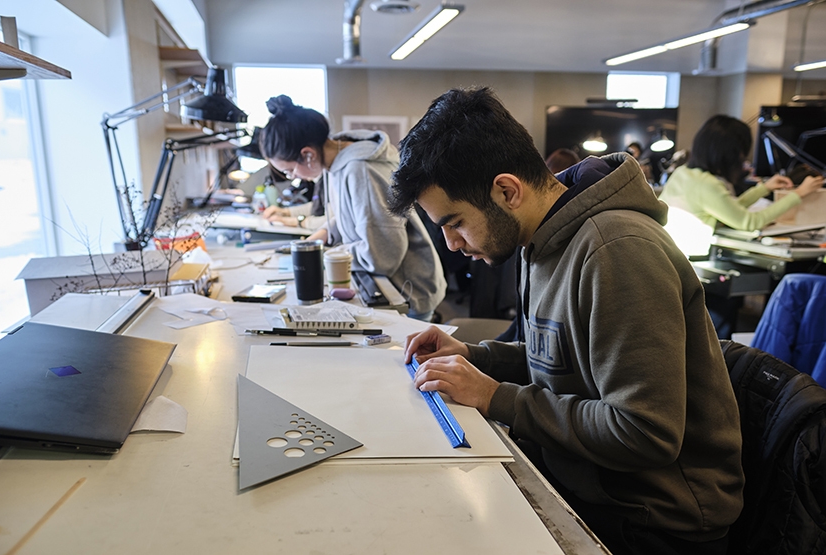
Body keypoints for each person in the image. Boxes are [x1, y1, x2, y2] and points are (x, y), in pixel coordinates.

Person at [389, 87, 744, 555]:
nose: (452, 244)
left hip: (653, 518)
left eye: (455, 222)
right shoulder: (542, 240)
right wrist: (475, 356)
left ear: (507, 190)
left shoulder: (617, 250)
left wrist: (495, 397)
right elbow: (562, 357)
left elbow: (644, 433)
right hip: (591, 481)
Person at [259, 95, 446, 321]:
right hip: (387, 285)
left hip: (408, 293)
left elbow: (383, 256)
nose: (294, 177)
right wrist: (321, 235)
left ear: (308, 154)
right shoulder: (335, 163)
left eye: (290, 170)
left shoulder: (361, 170)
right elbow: (352, 215)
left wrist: (329, 254)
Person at [659, 114, 823, 235]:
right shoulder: (707, 185)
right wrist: (799, 193)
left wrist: (764, 188)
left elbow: (730, 208)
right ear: (729, 153)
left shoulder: (684, 172)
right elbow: (750, 222)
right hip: (688, 259)